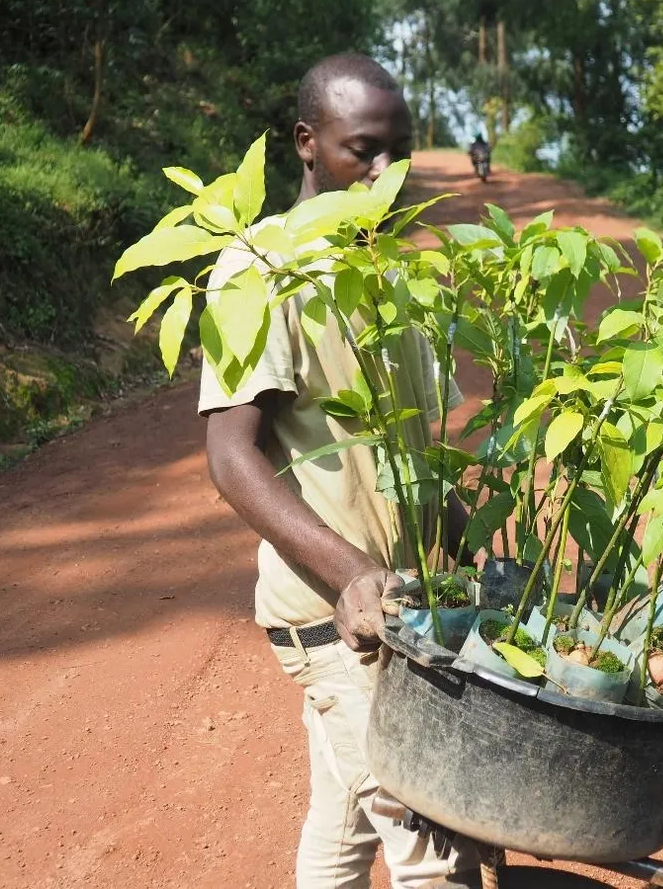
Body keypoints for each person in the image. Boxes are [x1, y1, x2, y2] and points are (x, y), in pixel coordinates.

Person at [199, 52, 475, 889]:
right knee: (434, 840)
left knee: (347, 819)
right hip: (341, 618)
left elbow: (416, 465)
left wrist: (493, 557)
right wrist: (356, 573)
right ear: (308, 144)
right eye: (364, 150)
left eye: (401, 150)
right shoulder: (263, 267)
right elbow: (229, 454)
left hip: (407, 611)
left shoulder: (398, 272)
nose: (387, 173)